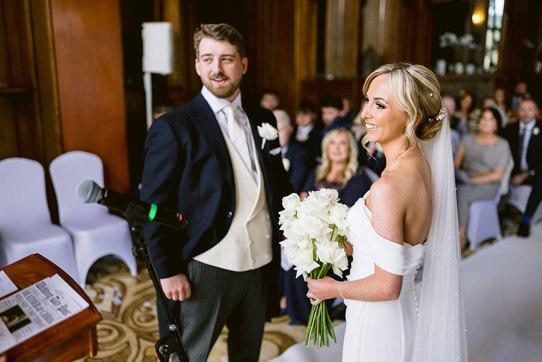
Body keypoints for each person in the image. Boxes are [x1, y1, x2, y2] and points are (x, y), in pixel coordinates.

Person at [140, 23, 291, 361]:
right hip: (206, 265)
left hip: (260, 264)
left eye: (226, 59)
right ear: (197, 65)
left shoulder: (264, 118)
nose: (217, 69)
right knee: (188, 356)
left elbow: (278, 185)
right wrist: (167, 269)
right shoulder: (173, 127)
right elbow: (151, 207)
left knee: (246, 353)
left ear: (243, 65)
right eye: (207, 59)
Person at [306, 63, 467, 361]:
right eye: (367, 100)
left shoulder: (389, 187)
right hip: (402, 310)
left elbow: (387, 285)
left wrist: (333, 289)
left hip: (377, 322)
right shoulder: (421, 167)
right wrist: (331, 242)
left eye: (379, 104)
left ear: (412, 115)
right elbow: (392, 243)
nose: (365, 113)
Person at [454, 107, 512, 249]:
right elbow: (456, 163)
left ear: (496, 124)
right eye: (483, 118)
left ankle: (461, 236)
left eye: (490, 119)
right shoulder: (467, 139)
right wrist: (463, 176)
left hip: (488, 185)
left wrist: (472, 181)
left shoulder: (502, 145)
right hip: (465, 179)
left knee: (462, 192)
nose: (486, 122)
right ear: (479, 121)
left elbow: (498, 174)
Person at [301, 128, 373, 207]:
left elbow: (351, 210)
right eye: (332, 143)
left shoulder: (357, 175)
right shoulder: (317, 170)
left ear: (350, 149)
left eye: (342, 143)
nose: (337, 147)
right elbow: (304, 196)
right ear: (326, 147)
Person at [502, 99, 542, 237]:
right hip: (513, 171)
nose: (526, 113)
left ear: (536, 112)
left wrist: (525, 175)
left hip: (534, 172)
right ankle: (501, 213)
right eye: (522, 109)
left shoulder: (541, 129)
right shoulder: (509, 129)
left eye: (529, 109)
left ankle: (526, 218)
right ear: (518, 112)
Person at [274, 109, 313, 193]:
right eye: (273, 131)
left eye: (279, 130)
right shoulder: (263, 152)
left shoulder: (302, 154)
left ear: (290, 129)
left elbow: (294, 186)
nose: (275, 135)